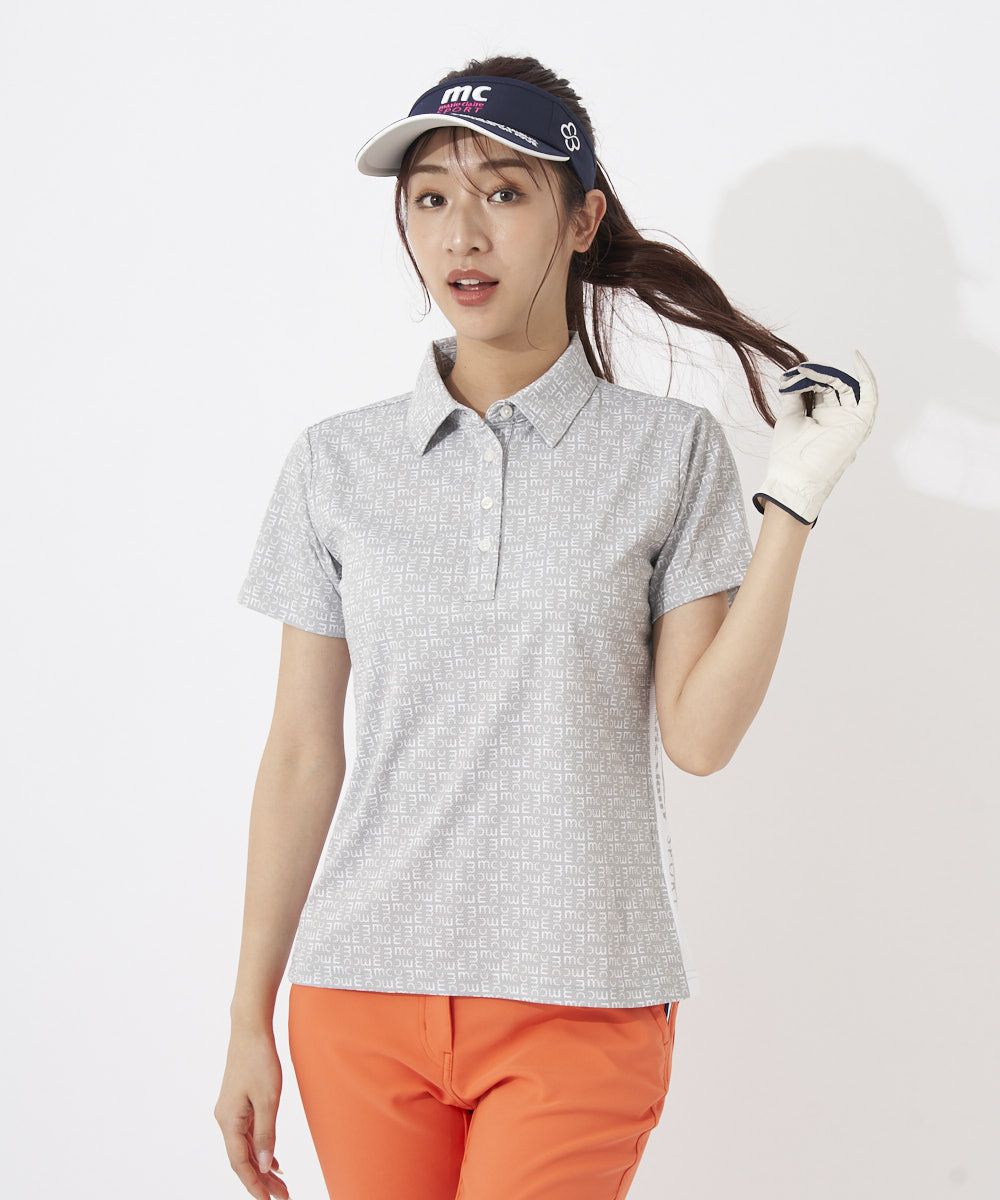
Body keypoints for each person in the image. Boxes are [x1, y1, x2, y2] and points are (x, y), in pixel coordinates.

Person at [214, 55, 878, 1200]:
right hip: (359, 991)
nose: (461, 233)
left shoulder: (666, 452)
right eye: (431, 197)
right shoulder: (335, 464)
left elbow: (699, 737)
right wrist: (246, 1018)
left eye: (504, 192)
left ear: (581, 221)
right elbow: (300, 755)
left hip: (582, 993)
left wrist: (794, 503)